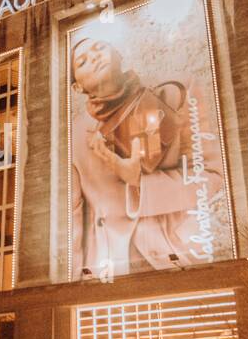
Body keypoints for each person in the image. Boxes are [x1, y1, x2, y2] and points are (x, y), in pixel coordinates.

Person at [69, 34, 225, 279]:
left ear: (118, 54)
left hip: (180, 257)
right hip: (111, 271)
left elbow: (212, 177)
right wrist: (76, 282)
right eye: (82, 61)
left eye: (101, 46)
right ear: (78, 87)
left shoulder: (177, 92)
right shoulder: (76, 136)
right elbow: (74, 219)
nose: (95, 56)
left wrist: (140, 183)